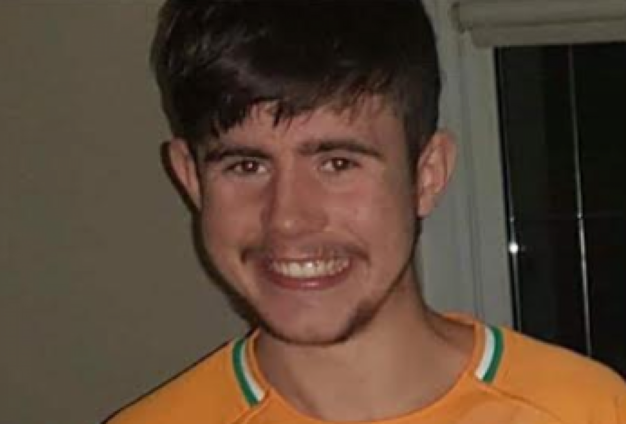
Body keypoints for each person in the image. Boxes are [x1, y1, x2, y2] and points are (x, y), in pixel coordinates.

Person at [105, 0, 626, 422]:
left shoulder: (589, 411)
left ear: (427, 175)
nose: (287, 218)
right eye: (246, 166)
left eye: (337, 163)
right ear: (191, 179)